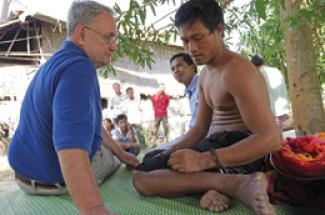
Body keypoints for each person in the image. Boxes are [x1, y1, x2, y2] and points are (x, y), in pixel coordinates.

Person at [132, 1, 281, 215]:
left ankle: (236, 185)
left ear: (219, 30)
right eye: (185, 41)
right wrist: (169, 152)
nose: (191, 49)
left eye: (198, 38)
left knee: (143, 179)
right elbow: (200, 128)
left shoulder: (238, 72)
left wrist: (204, 160)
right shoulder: (205, 75)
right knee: (149, 162)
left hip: (238, 152)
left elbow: (271, 138)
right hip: (214, 149)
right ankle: (213, 186)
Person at [8, 1, 139, 215]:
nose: (114, 46)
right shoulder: (80, 69)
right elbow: (70, 145)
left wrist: (119, 151)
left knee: (119, 152)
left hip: (24, 174)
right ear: (81, 34)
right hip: (51, 180)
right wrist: (93, 208)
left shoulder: (56, 63)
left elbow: (89, 124)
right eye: (108, 37)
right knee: (114, 158)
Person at [147, 52, 199, 152]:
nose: (176, 70)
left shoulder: (202, 85)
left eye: (179, 66)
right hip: (157, 115)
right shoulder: (189, 90)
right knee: (154, 152)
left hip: (200, 138)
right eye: (173, 69)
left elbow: (202, 128)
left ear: (192, 67)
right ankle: (154, 142)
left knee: (155, 156)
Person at [251, 55, 293, 130]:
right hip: (281, 108)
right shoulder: (275, 70)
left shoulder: (258, 73)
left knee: (272, 133)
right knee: (279, 131)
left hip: (269, 110)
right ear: (264, 62)